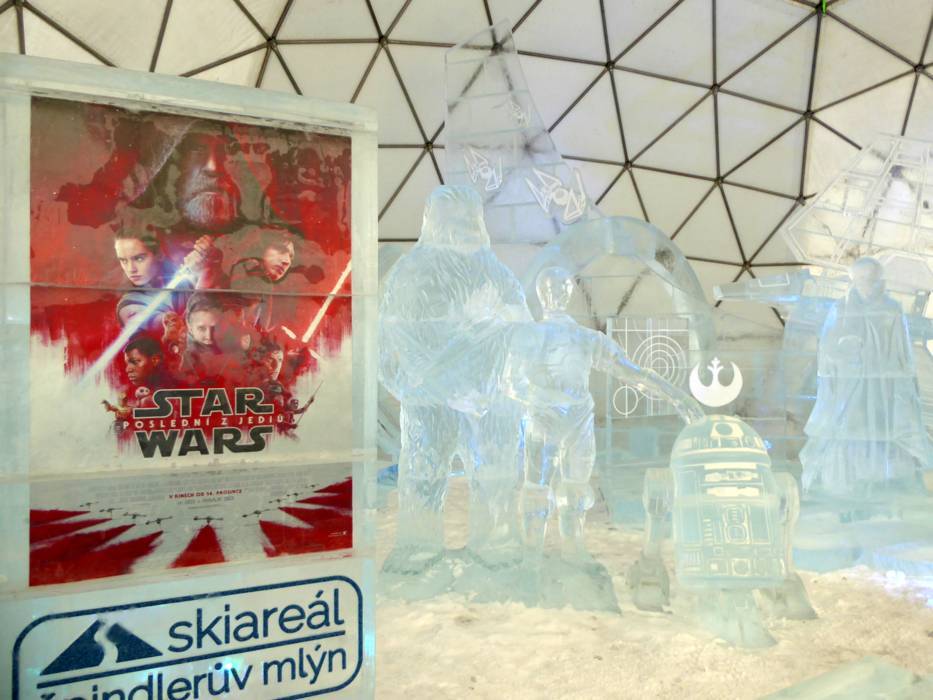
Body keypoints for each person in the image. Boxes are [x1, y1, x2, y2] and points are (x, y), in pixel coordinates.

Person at [379, 185, 532, 575]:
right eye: (457, 218)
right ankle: (418, 548)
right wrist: (413, 384)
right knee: (423, 474)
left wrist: (512, 384)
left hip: (488, 401)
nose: (466, 225)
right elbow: (391, 338)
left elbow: (523, 331)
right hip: (430, 401)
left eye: (471, 217)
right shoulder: (411, 272)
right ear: (435, 221)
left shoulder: (496, 273)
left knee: (495, 476)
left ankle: (496, 542)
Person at [507, 267, 705, 563]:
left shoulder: (583, 338)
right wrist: (542, 400)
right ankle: (533, 555)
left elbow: (633, 373)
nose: (555, 294)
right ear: (542, 293)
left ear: (568, 293)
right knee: (538, 489)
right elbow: (511, 383)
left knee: (572, 489)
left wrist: (676, 397)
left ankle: (570, 551)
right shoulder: (535, 336)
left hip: (574, 419)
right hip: (547, 418)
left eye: (561, 288)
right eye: (551, 289)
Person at [801, 257, 933, 498]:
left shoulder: (891, 308)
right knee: (849, 428)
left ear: (879, 279)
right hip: (850, 384)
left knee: (882, 428)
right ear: (853, 279)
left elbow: (902, 350)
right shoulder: (841, 308)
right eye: (861, 278)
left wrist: (904, 381)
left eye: (870, 277)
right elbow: (828, 348)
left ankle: (881, 481)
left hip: (883, 385)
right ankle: (847, 482)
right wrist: (845, 350)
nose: (866, 283)